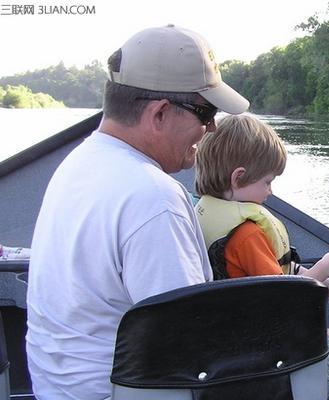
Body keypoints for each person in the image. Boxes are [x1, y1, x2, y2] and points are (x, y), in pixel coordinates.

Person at [25, 24, 249, 399]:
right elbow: (194, 349)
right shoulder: (153, 197)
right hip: (118, 393)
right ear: (160, 113)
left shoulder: (79, 163)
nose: (211, 129)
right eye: (206, 112)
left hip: (55, 389)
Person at [194, 114, 329, 400]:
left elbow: (266, 275)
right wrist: (324, 268)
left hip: (222, 343)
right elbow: (283, 296)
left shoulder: (204, 212)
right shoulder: (246, 234)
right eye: (267, 182)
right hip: (258, 351)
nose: (271, 191)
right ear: (238, 177)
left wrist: (327, 286)